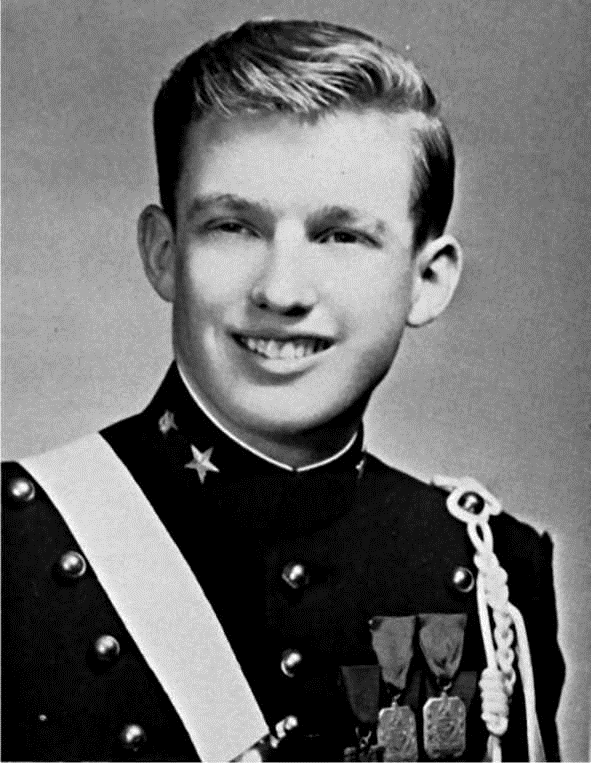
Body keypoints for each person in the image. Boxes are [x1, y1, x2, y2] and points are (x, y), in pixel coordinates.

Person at [2, 19, 564, 762]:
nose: (282, 290)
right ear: (165, 254)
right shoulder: (17, 546)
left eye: (341, 236)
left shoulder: (489, 571)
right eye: (234, 226)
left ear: (427, 281)